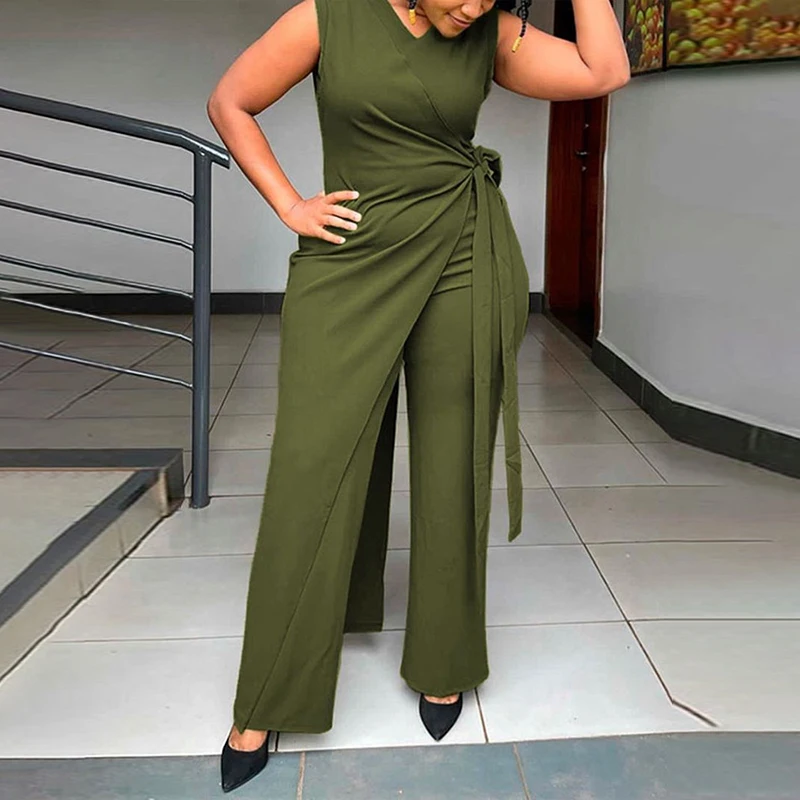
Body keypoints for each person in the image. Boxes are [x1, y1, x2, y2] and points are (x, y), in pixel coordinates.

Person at [207, 0, 629, 792]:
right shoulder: (326, 17)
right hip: (350, 260)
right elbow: (230, 100)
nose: (472, 6)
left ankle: (444, 657)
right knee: (309, 472)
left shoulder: (490, 32)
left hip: (462, 254)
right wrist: (290, 204)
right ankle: (267, 693)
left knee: (453, 462)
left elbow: (602, 70)